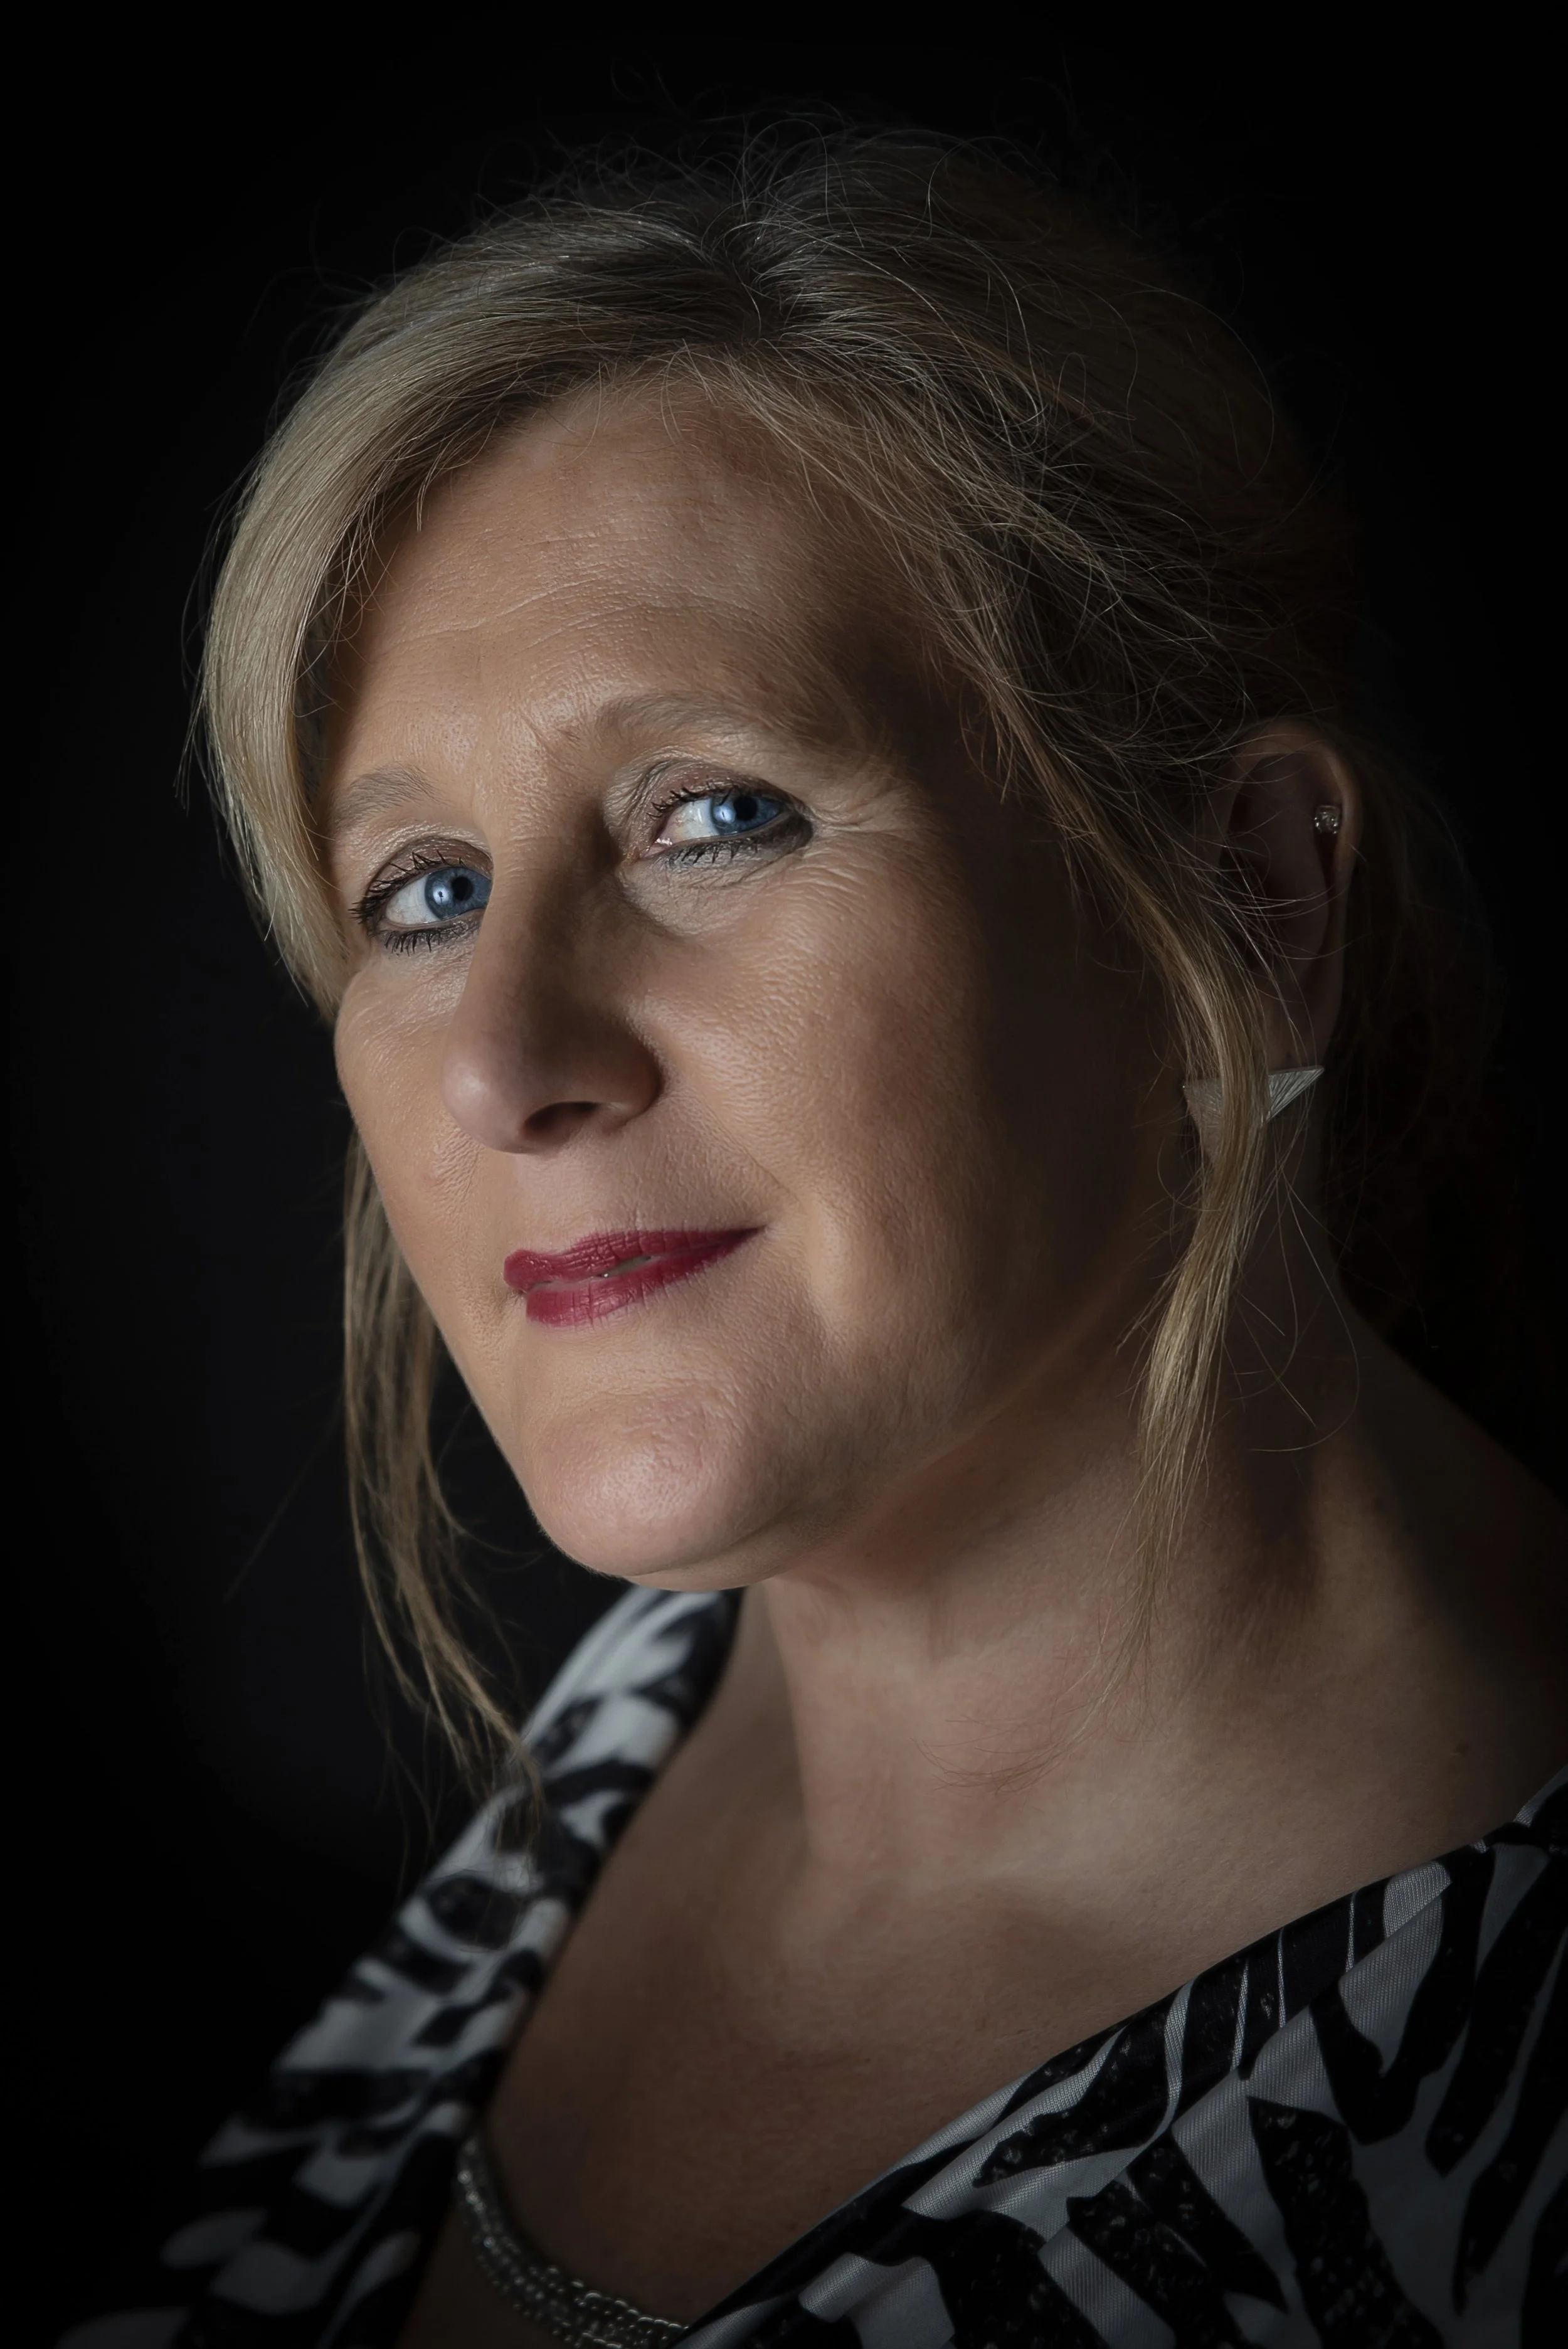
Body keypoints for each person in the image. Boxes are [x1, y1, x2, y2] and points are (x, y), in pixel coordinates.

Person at [67, 135, 1565, 2348]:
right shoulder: (656, 1695)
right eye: (425, 893)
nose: (502, 1065)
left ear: (1246, 901)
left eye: (713, 817)